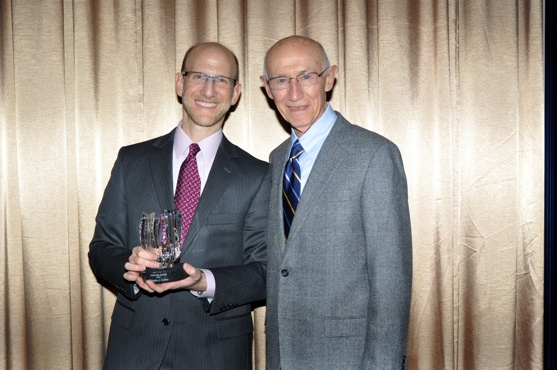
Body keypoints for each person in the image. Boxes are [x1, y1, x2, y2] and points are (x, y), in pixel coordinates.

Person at [89, 42, 270, 369]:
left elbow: (265, 271)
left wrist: (204, 281)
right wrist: (129, 267)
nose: (209, 90)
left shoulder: (257, 175)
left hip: (217, 354)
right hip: (135, 350)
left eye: (222, 80)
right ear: (179, 83)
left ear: (237, 92)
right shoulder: (131, 161)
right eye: (199, 75)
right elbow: (101, 248)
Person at [260, 35, 412, 369]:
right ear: (267, 89)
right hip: (283, 357)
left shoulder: (374, 155)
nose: (295, 92)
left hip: (349, 359)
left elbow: (390, 280)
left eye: (306, 76)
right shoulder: (274, 161)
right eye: (282, 80)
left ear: (330, 78)